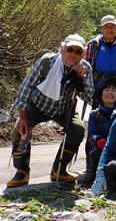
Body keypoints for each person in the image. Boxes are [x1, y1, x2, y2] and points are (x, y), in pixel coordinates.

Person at [7, 34, 94, 187]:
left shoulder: (85, 67)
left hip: (63, 109)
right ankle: (22, 172)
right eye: (70, 49)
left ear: (83, 54)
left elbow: (88, 96)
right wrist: (22, 116)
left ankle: (59, 170)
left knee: (78, 129)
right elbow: (26, 87)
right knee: (21, 130)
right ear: (62, 49)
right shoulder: (46, 62)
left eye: (77, 52)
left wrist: (81, 79)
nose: (73, 54)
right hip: (37, 105)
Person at [78, 78, 116, 186]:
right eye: (106, 89)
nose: (110, 92)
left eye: (113, 90)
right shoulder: (94, 114)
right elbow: (91, 134)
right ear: (101, 93)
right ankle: (91, 174)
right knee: (91, 145)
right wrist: (99, 140)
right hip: (100, 147)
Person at [86, 15, 116, 107]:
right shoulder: (94, 44)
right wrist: (87, 90)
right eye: (106, 26)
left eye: (112, 26)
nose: (109, 29)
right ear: (101, 28)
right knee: (98, 114)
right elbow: (88, 68)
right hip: (99, 86)